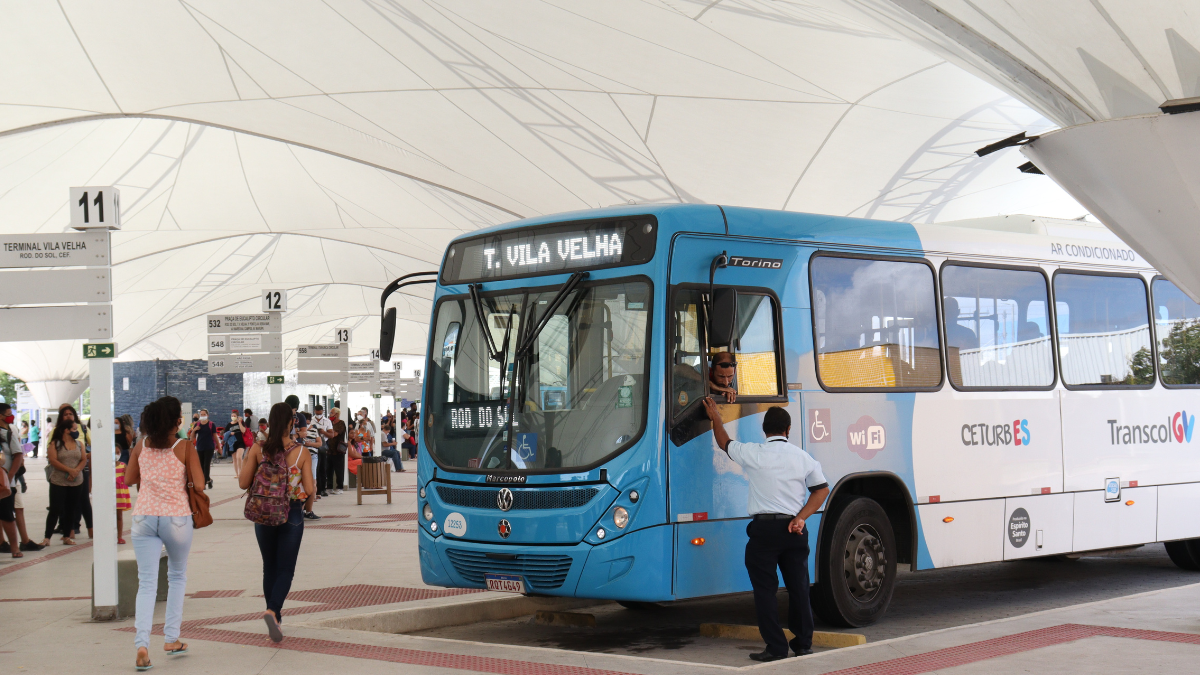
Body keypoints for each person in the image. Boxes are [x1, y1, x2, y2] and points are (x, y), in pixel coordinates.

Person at [702, 398, 829, 662]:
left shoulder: (754, 453)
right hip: (794, 531)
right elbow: (822, 490)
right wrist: (800, 518)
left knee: (765, 591)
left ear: (764, 430)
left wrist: (716, 417)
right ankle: (803, 644)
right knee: (799, 588)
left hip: (765, 532)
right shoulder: (803, 457)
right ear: (788, 429)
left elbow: (724, 442)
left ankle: (776, 648)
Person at [124, 396, 203, 671]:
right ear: (175, 421)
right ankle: (171, 639)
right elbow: (201, 483)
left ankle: (142, 646)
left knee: (146, 583)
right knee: (177, 576)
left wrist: (152, 475)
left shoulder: (140, 445)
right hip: (177, 519)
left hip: (144, 518)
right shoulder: (184, 447)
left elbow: (129, 478)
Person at [239, 402, 315, 643]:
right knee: (286, 568)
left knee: (269, 566)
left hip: (263, 513)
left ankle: (276, 618)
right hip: (291, 513)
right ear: (292, 422)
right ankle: (273, 611)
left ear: (270, 422)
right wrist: (308, 508)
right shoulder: (301, 452)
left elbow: (242, 483)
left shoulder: (258, 449)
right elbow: (311, 489)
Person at [40, 412, 87, 546]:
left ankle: (67, 536)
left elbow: (83, 459)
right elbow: (53, 460)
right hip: (59, 481)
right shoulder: (55, 444)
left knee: (71, 509)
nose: (76, 432)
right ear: (66, 430)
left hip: (76, 481)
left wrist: (76, 471)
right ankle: (47, 537)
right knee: (55, 509)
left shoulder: (79, 444)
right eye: (73, 430)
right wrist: (69, 470)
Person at [0, 403, 24, 558]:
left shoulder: (9, 433)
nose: (11, 416)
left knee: (7, 514)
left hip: (5, 484)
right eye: (8, 414)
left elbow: (18, 455)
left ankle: (15, 547)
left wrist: (9, 477)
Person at [115, 415, 136, 544]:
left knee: (119, 515)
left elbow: (129, 447)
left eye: (116, 423)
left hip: (122, 458)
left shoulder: (125, 434)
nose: (115, 425)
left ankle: (119, 535)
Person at [189, 409, 217, 489]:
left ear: (207, 415)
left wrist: (219, 447)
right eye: (201, 414)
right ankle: (208, 479)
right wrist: (194, 430)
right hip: (200, 447)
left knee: (206, 465)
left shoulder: (211, 424)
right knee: (200, 465)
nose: (203, 416)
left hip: (209, 447)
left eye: (204, 414)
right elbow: (192, 438)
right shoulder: (197, 424)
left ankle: (204, 483)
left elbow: (215, 437)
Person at [322, 408, 347, 496]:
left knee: (339, 469)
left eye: (331, 413)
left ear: (336, 414)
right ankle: (329, 487)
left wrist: (325, 432)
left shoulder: (341, 423)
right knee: (329, 469)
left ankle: (340, 487)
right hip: (329, 450)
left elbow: (334, 434)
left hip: (338, 450)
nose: (330, 414)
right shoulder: (329, 423)